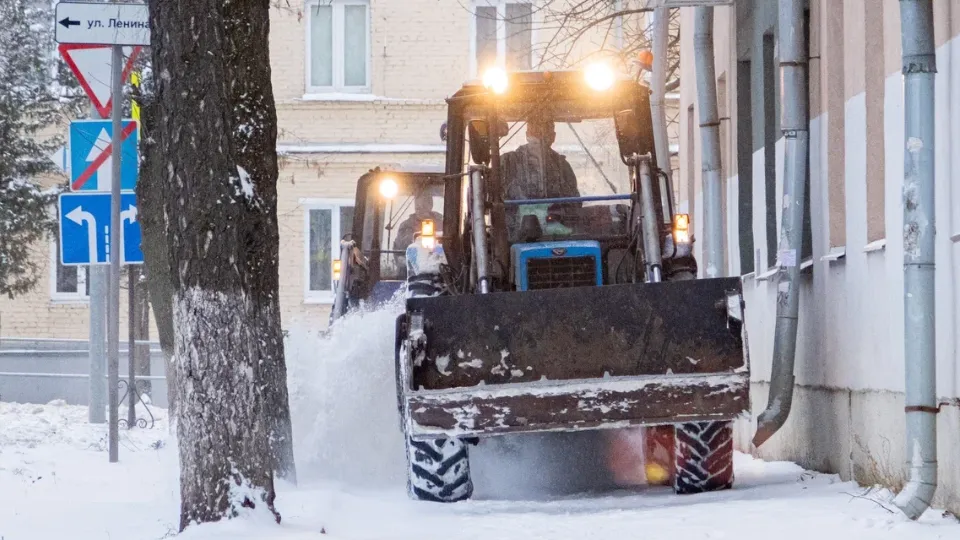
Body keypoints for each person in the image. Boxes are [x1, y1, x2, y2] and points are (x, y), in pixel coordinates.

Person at [500, 118, 580, 201]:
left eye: (545, 132)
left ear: (553, 137)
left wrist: (555, 208)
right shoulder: (507, 162)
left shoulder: (562, 166)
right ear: (527, 135)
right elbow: (496, 198)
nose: (540, 138)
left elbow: (574, 201)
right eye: (536, 132)